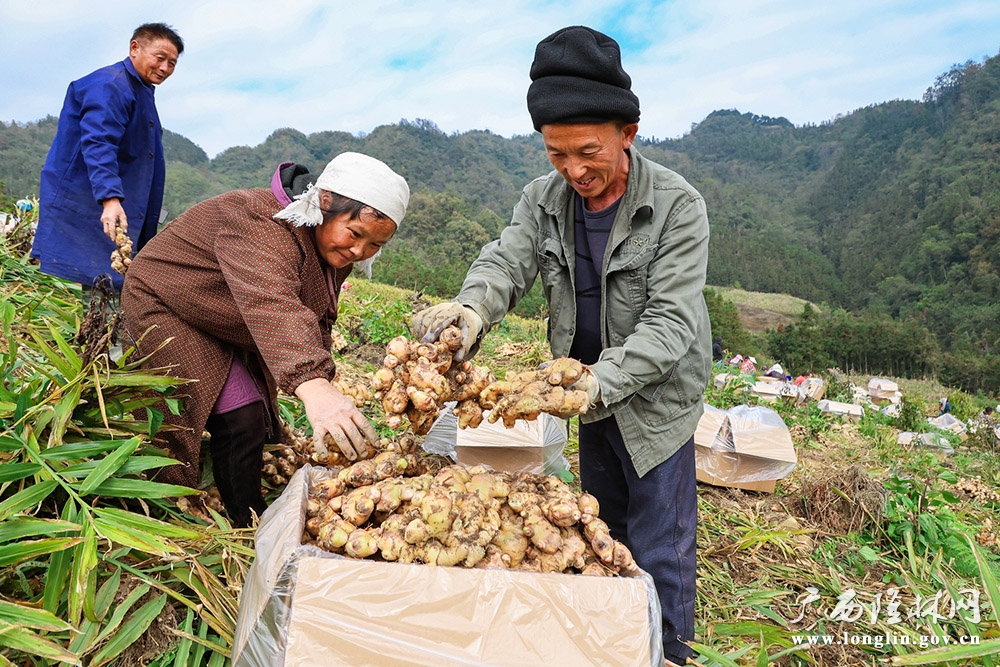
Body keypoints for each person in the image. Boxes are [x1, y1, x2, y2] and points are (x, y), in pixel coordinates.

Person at [410, 26, 709, 665]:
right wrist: (469, 310)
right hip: (583, 396)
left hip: (653, 400)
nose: (574, 170)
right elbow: (505, 264)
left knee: (662, 545)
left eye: (588, 151)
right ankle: (619, 644)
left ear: (628, 133)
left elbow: (672, 324)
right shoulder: (543, 202)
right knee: (605, 531)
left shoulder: (678, 207)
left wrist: (598, 382)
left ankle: (672, 654)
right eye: (556, 154)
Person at [121, 152, 409, 527]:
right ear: (324, 203)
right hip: (166, 302)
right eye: (354, 234)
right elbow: (270, 302)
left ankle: (246, 515)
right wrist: (313, 384)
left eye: (374, 245)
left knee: (251, 414)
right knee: (235, 418)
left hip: (222, 313)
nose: (358, 251)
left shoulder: (328, 247)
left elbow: (317, 315)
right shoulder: (260, 220)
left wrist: (327, 384)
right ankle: (197, 517)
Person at [32, 23, 183, 293]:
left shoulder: (141, 90)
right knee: (88, 286)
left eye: (172, 63)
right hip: (89, 204)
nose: (165, 68)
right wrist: (110, 198)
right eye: (160, 58)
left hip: (117, 206)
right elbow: (99, 142)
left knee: (109, 287)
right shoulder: (110, 85)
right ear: (134, 48)